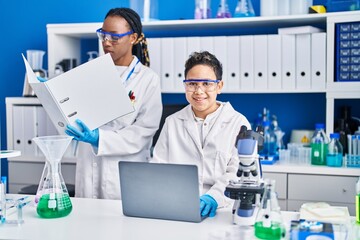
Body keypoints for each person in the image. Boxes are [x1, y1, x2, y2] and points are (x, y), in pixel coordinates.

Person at [65, 8, 162, 199]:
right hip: (88, 168)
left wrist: (99, 139)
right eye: (103, 35)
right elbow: (73, 114)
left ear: (133, 38)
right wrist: (57, 96)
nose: (106, 43)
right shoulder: (89, 74)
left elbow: (144, 131)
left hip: (123, 172)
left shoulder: (147, 79)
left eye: (114, 37)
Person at [152, 51, 251, 218]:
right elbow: (158, 167)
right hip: (177, 207)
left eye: (206, 83)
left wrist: (213, 197)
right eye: (192, 84)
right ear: (185, 86)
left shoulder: (238, 123)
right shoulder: (173, 122)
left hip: (221, 210)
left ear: (219, 86)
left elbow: (237, 173)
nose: (198, 91)